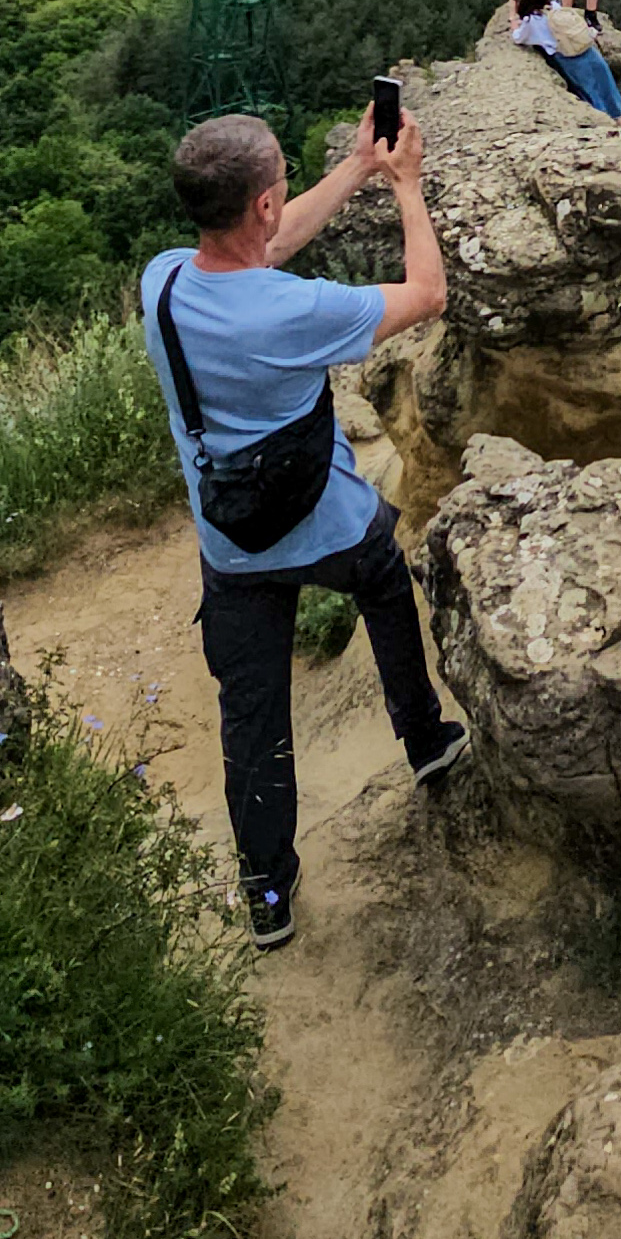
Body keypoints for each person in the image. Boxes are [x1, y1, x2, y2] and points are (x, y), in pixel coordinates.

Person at [141, 106, 468, 955]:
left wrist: (357, 164)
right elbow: (428, 294)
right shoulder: (293, 313)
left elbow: (265, 248)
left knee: (252, 716)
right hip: (321, 521)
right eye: (283, 178)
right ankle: (425, 738)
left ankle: (268, 896)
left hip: (230, 544)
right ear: (260, 203)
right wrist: (406, 185)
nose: (287, 191)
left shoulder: (165, 283)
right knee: (386, 581)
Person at [508, 0, 621, 119]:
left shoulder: (531, 22)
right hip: (587, 49)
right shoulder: (555, 7)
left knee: (590, 93)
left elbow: (518, 37)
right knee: (608, 88)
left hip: (569, 58)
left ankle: (606, 125)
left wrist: (513, 16)